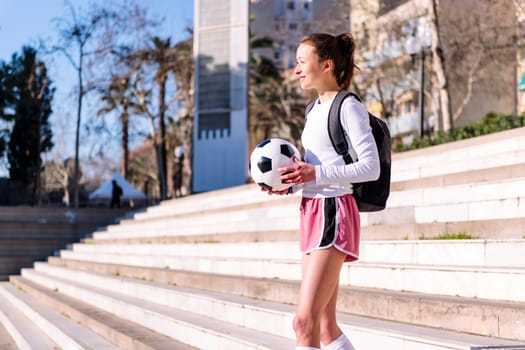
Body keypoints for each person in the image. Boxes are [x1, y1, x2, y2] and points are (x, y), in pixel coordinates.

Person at [263, 33, 380, 350]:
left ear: (326, 64)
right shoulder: (312, 109)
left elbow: (371, 167)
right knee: (325, 325)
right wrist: (289, 184)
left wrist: (316, 173)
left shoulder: (348, 106)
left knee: (304, 321)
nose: (297, 69)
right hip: (312, 211)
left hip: (334, 211)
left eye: (302, 62)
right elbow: (318, 169)